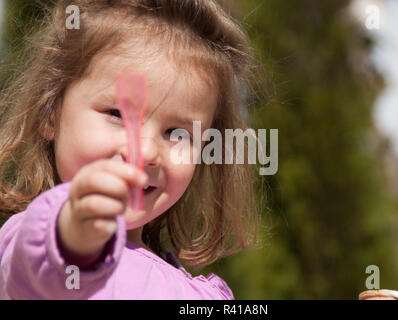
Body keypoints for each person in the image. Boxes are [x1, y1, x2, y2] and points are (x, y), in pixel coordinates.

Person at [0, 0, 259, 299]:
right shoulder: (29, 241)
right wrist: (71, 232)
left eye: (177, 133)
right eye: (117, 114)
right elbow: (38, 267)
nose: (146, 151)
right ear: (51, 112)